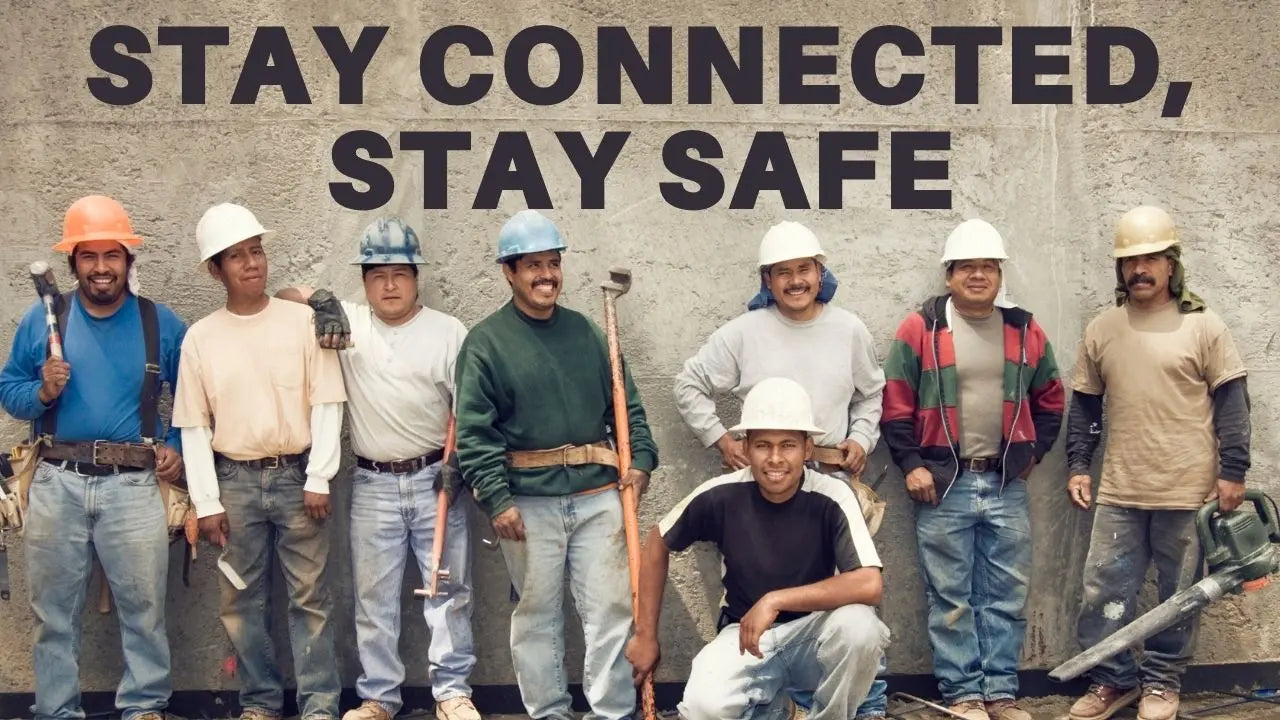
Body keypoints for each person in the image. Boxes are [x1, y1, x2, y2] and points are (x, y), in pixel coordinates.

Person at [672, 219, 890, 718]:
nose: (796, 281)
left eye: (804, 269)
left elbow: (872, 392)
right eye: (783, 272)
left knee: (852, 605)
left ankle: (862, 705)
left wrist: (861, 437)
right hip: (766, 484)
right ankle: (769, 690)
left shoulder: (848, 330)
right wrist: (721, 439)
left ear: (820, 273)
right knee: (767, 589)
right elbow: (689, 384)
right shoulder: (744, 334)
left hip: (831, 483)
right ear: (766, 280)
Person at [453, 209, 659, 720]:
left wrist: (642, 461)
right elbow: (474, 433)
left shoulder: (587, 332)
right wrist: (496, 498)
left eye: (553, 264)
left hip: (597, 497)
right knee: (537, 617)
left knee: (611, 612)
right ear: (509, 272)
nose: (546, 276)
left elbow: (626, 406)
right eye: (533, 266)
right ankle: (549, 713)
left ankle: (613, 712)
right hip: (527, 504)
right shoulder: (487, 343)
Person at [276, 217, 480, 720]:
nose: (390, 285)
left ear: (416, 278)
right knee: (374, 598)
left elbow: (470, 408)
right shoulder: (348, 325)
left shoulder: (448, 331)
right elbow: (281, 298)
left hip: (437, 478)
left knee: (449, 591)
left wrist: (459, 465)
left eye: (400, 274)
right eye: (378, 275)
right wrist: (320, 299)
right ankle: (379, 698)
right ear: (364, 281)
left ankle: (452, 693)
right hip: (372, 483)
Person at [0, 195, 187, 720]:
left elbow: (195, 396)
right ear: (73, 262)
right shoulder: (44, 319)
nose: (101, 267)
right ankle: (57, 710)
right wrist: (41, 392)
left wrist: (175, 445)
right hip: (56, 480)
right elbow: (9, 390)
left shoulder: (159, 323)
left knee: (144, 610)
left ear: (128, 260)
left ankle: (144, 707)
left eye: (112, 255)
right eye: (89, 256)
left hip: (133, 485)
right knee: (53, 615)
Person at [1064, 206, 1251, 720]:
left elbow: (1233, 405)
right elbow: (1085, 408)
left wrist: (1232, 472)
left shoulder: (1204, 327)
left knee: (1180, 596)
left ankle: (1163, 683)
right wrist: (1078, 465)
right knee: (1103, 592)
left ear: (1171, 264)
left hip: (1189, 493)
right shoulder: (1103, 329)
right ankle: (1113, 680)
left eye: (1150, 258)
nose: (1140, 269)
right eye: (1130, 261)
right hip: (1119, 491)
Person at [880, 219, 1065, 720]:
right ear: (950, 275)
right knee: (951, 597)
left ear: (1000, 274)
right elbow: (895, 403)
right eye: (967, 267)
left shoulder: (1024, 329)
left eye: (988, 267)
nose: (978, 275)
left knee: (1006, 594)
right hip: (943, 484)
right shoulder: (921, 328)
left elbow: (1051, 397)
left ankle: (1000, 693)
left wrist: (1031, 454)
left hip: (1004, 483)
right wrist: (911, 464)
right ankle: (963, 694)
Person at [171, 202, 347, 720]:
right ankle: (260, 702)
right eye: (236, 256)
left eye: (257, 251)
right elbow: (194, 425)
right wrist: (206, 501)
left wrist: (320, 476)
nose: (252, 263)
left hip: (298, 477)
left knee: (310, 598)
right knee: (240, 601)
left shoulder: (302, 321)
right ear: (215, 270)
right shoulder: (202, 337)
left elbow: (327, 401)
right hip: (234, 482)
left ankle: (319, 706)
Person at [627, 376, 888, 720]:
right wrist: (646, 636)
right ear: (746, 447)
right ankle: (781, 711)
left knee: (860, 628)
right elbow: (657, 542)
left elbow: (869, 583)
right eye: (763, 445)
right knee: (702, 707)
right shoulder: (722, 494)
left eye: (788, 445)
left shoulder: (832, 495)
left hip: (815, 634)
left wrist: (775, 600)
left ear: (808, 449)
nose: (775, 458)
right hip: (746, 634)